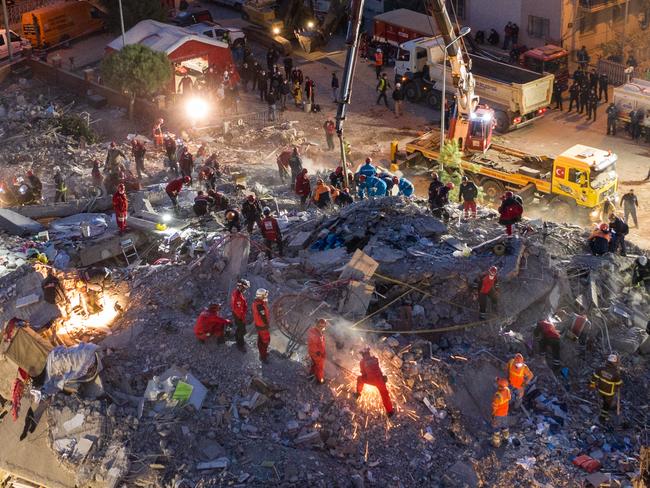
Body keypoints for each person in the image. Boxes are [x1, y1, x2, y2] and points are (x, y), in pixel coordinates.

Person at [355, 348, 394, 416]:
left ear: (363, 355)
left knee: (360, 379)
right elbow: (378, 369)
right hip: (380, 380)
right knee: (385, 394)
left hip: (371, 380)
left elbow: (363, 374)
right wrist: (382, 377)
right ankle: (390, 411)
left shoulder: (362, 362)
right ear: (369, 353)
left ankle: (358, 393)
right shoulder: (375, 359)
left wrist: (365, 378)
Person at [590, 354, 623, 424]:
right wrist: (619, 380)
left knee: (606, 400)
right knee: (606, 406)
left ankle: (609, 408)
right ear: (615, 363)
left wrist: (592, 385)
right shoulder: (616, 374)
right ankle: (602, 418)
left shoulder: (600, 369)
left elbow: (594, 377)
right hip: (609, 393)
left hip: (600, 390)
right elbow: (619, 384)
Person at [231, 279, 250, 351]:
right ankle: (240, 345)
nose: (245, 289)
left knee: (239, 328)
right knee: (242, 330)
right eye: (245, 288)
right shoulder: (238, 296)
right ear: (241, 287)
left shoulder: (235, 293)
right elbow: (238, 309)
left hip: (236, 314)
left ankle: (236, 337)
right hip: (238, 315)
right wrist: (242, 318)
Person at [252, 288, 271, 363]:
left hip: (258, 324)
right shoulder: (260, 306)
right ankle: (263, 356)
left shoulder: (255, 302)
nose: (266, 296)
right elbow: (263, 316)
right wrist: (267, 324)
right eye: (265, 295)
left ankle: (262, 353)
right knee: (265, 340)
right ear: (261, 296)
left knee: (260, 339)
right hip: (262, 325)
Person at [491, 377, 511, 447]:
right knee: (504, 427)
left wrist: (493, 414)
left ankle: (496, 444)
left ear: (500, 386)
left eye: (497, 383)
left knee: (496, 429)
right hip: (505, 413)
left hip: (498, 414)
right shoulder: (507, 390)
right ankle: (506, 439)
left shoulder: (498, 396)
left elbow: (494, 407)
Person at [307, 318, 327, 384]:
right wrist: (317, 351)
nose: (321, 328)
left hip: (319, 353)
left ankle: (311, 375)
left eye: (323, 327)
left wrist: (324, 352)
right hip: (315, 353)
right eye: (320, 326)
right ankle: (320, 380)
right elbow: (312, 344)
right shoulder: (313, 331)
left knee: (315, 365)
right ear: (317, 324)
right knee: (320, 366)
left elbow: (322, 344)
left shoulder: (320, 333)